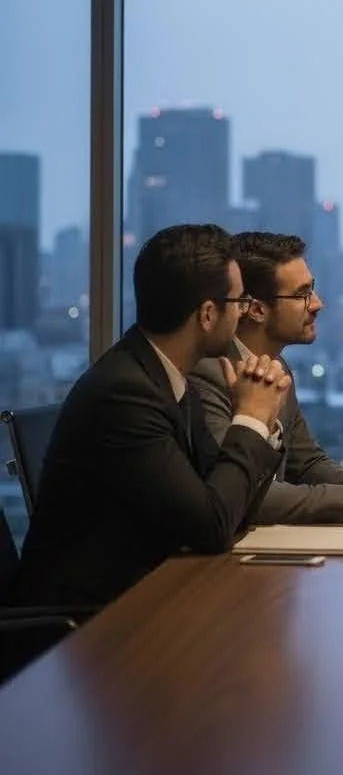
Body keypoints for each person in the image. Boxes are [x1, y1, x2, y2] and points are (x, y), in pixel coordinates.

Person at [13, 224, 289, 608]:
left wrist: (258, 422)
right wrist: (252, 417)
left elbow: (226, 501)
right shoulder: (126, 394)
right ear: (208, 314)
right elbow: (210, 526)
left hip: (148, 593)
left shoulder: (167, 377)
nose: (244, 312)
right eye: (240, 301)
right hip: (88, 628)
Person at [190, 231, 343, 522]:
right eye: (302, 294)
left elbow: (307, 463)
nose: (317, 304)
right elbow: (240, 494)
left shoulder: (277, 367)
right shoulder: (211, 374)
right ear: (257, 309)